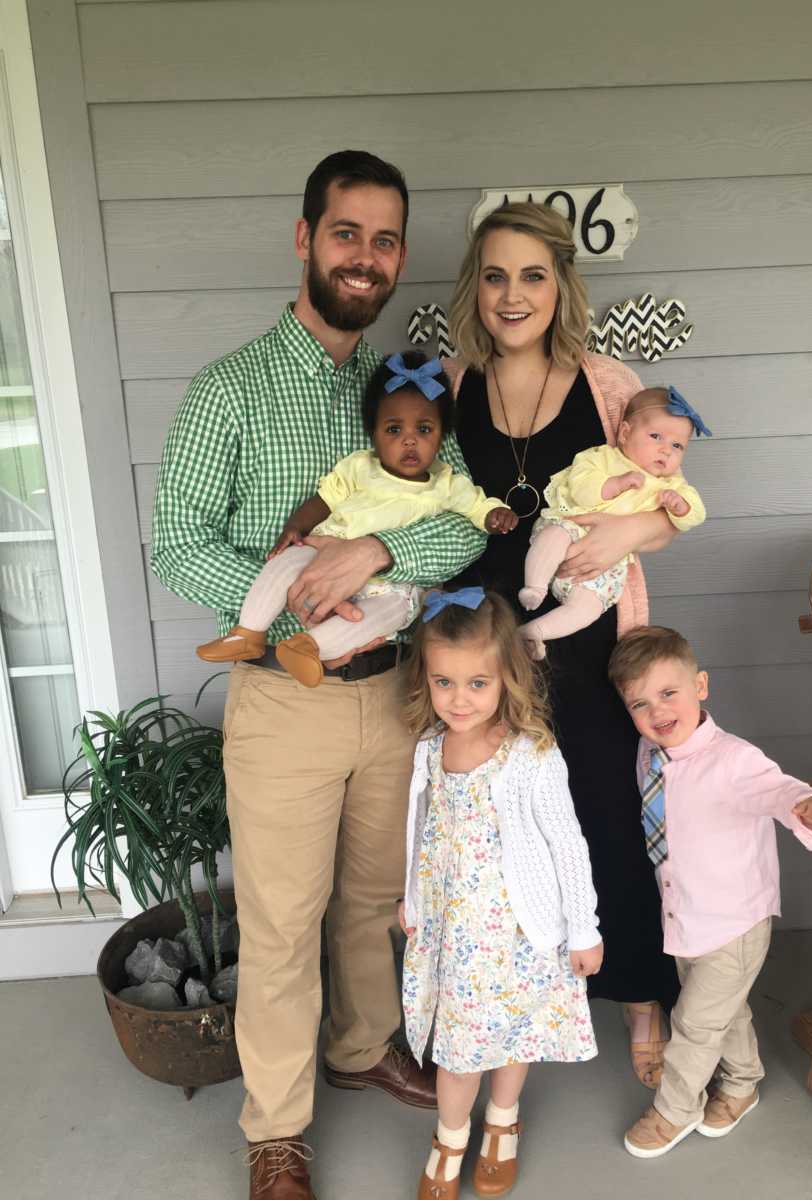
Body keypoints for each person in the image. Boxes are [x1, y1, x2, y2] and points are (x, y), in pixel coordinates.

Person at [151, 150, 487, 1200]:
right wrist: (291, 587)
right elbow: (174, 542)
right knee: (285, 916)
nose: (367, 257)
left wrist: (378, 554)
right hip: (286, 699)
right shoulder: (232, 389)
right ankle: (277, 1130)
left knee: (373, 896)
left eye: (386, 240)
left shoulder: (409, 391)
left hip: (394, 692)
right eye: (347, 234)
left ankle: (361, 1045)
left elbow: (462, 520)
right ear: (306, 240)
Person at [445, 200, 681, 1089]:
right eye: (497, 275)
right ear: (478, 285)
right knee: (502, 827)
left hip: (584, 639)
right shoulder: (453, 381)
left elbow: (669, 506)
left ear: (561, 285)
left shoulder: (609, 384)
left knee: (606, 819)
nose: (514, 295)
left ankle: (640, 995)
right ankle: (521, 1000)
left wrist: (623, 539)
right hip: (481, 643)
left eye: (533, 276)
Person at [607, 626, 812, 1159]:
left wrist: (807, 805)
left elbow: (777, 788)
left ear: (702, 686)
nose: (658, 711)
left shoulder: (734, 759)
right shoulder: (651, 752)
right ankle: (742, 1084)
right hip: (687, 914)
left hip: (734, 921)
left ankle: (674, 1110)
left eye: (669, 693)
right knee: (722, 1011)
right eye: (640, 703)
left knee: (693, 1023)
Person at [398, 588, 604, 1199]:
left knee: (517, 1032)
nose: (459, 700)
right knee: (458, 1049)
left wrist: (584, 927)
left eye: (477, 684)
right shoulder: (430, 750)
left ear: (506, 678)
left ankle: (502, 1123)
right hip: (457, 937)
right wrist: (410, 895)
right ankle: (450, 1134)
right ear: (427, 681)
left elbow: (567, 842)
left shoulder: (530, 755)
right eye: (445, 683)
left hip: (519, 931)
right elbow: (420, 833)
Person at [196, 352, 516, 686]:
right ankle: (249, 629)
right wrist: (296, 527)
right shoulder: (360, 467)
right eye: (394, 429)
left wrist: (494, 515)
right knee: (286, 562)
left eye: (424, 429)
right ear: (374, 433)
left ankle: (308, 647)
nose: (410, 440)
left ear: (441, 434)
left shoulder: (448, 483)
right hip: (325, 553)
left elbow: (475, 510)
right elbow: (323, 500)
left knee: (389, 612)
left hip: (388, 583)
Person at [519, 385, 708, 658]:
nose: (666, 451)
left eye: (677, 446)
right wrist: (614, 484)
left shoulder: (671, 484)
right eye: (656, 436)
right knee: (553, 536)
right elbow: (580, 486)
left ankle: (534, 633)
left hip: (604, 567)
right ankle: (534, 587)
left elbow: (697, 513)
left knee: (589, 608)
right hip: (572, 526)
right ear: (625, 433)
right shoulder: (602, 458)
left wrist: (681, 506)